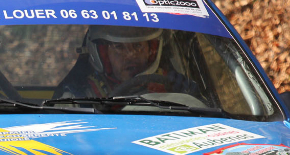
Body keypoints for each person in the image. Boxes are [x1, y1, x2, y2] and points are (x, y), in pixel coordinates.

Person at [55, 25, 194, 99]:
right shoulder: (78, 98)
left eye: (138, 46)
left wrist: (185, 92)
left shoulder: (175, 87)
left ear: (151, 51)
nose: (130, 55)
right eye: (119, 47)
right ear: (103, 55)